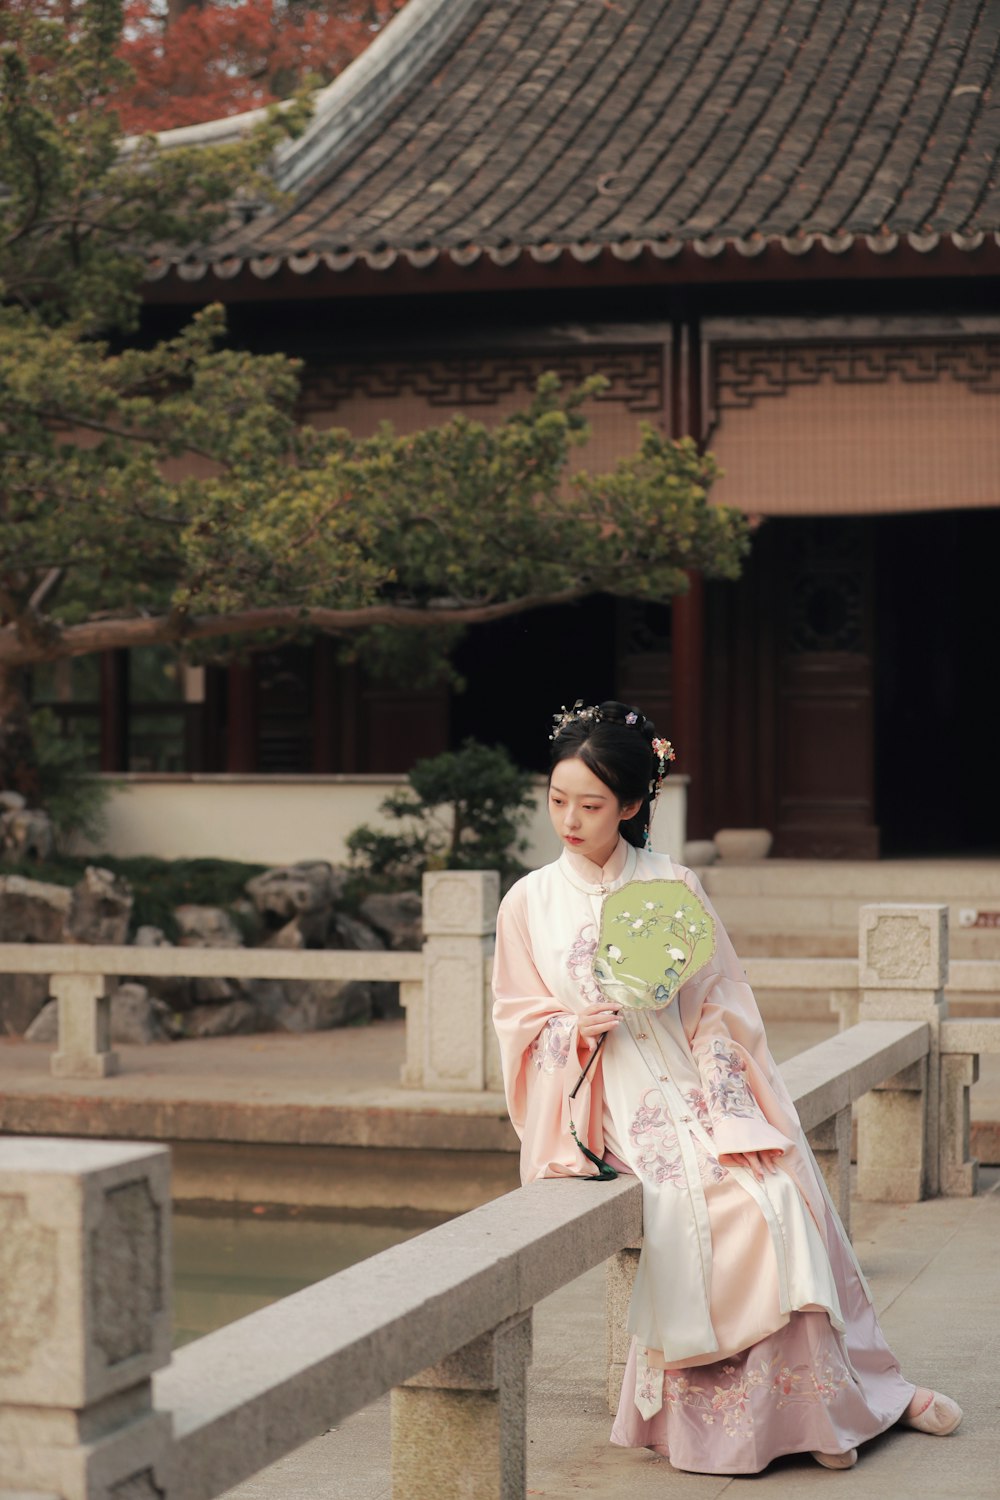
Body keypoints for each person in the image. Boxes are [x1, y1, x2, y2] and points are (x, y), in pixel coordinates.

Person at [491, 699, 962, 1476]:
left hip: (698, 1079)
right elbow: (517, 1018)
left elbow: (721, 1005)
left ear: (635, 805)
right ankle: (737, 1423)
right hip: (608, 1092)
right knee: (708, 1203)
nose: (568, 820)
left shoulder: (674, 884)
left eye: (591, 804)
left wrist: (724, 1099)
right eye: (557, 799)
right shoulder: (527, 902)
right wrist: (573, 1026)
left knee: (780, 1192)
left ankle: (834, 1405)